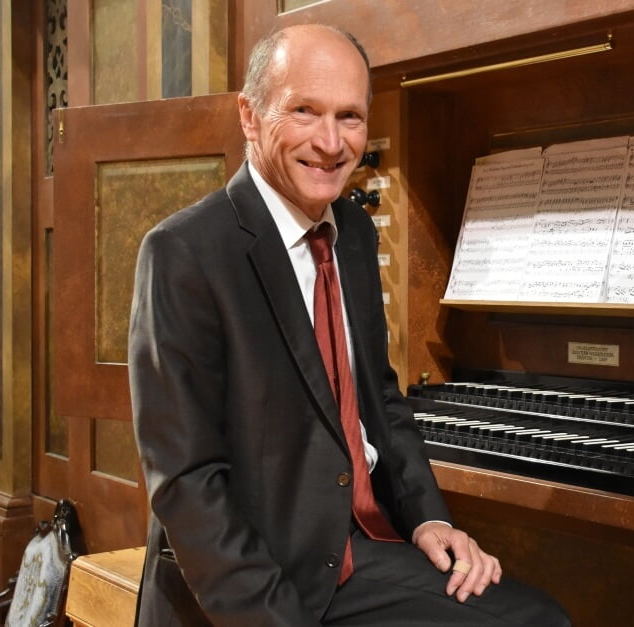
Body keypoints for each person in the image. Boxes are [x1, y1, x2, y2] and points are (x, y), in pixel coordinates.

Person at [128, 24, 570, 626]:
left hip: (355, 553)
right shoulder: (184, 252)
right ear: (250, 117)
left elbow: (377, 399)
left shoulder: (353, 234)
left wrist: (429, 517)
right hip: (251, 579)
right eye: (304, 111)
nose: (331, 142)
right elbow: (186, 480)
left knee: (538, 620)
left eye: (351, 117)